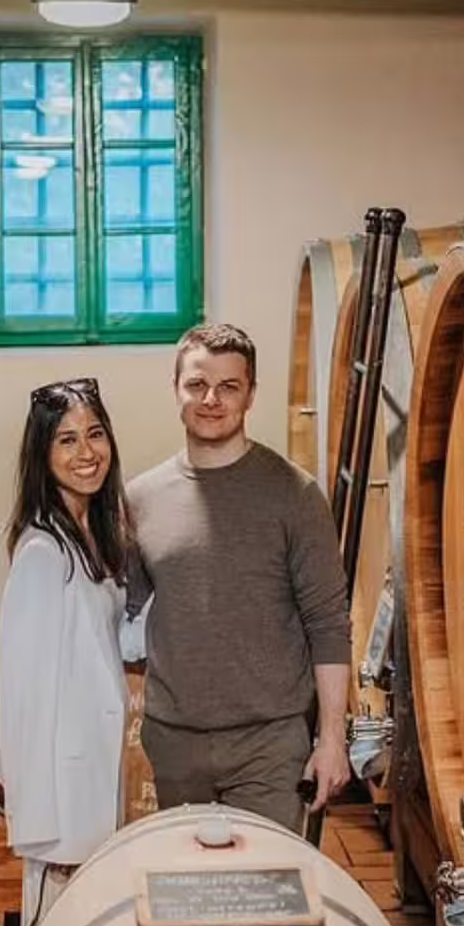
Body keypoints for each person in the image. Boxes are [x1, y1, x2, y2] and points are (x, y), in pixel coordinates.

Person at [127, 323, 352, 834]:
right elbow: (121, 611)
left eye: (229, 386)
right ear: (176, 389)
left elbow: (328, 625)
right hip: (172, 741)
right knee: (184, 896)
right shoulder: (141, 498)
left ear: (250, 394)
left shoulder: (294, 495)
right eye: (197, 385)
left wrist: (332, 739)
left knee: (262, 897)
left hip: (269, 744)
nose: (212, 399)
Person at [0, 377, 131, 926]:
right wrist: (40, 819)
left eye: (95, 435)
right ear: (42, 454)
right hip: (64, 789)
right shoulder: (43, 551)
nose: (86, 453)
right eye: (67, 440)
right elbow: (24, 693)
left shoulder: (92, 535)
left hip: (95, 768)